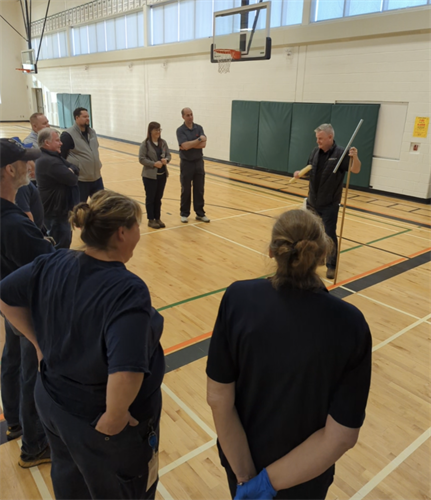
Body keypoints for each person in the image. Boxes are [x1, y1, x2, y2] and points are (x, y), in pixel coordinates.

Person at [0, 189, 165, 500]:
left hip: (51, 402)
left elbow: (5, 296)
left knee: (70, 478)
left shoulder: (54, 261)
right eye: (137, 226)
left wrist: (38, 344)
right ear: (122, 232)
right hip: (94, 418)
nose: (138, 234)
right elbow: (126, 370)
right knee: (120, 488)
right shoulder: (127, 289)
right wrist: (115, 416)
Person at [207, 209, 372, 500]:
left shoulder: (237, 299)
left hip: (241, 462)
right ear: (323, 255)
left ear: (272, 251)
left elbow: (219, 399)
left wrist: (248, 479)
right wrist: (268, 484)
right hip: (305, 477)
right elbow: (342, 436)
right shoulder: (351, 324)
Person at [0, 138, 55, 467]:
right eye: (23, 161)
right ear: (9, 170)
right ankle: (34, 445)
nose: (28, 165)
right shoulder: (15, 226)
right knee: (35, 372)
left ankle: (19, 425)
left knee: (16, 364)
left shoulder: (12, 216)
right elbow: (49, 270)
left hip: (10, 310)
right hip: (27, 311)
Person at [294, 124, 361, 279]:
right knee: (311, 233)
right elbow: (309, 170)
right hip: (312, 201)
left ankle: (331, 265)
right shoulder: (315, 152)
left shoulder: (340, 153)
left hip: (329, 204)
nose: (318, 142)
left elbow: (355, 169)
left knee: (329, 235)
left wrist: (355, 156)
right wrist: (299, 173)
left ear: (330, 137)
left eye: (321, 139)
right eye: (317, 139)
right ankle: (317, 258)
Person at [36, 128, 79, 249]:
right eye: (57, 140)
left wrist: (71, 170)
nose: (61, 143)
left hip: (58, 210)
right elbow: (72, 179)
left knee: (63, 240)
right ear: (47, 143)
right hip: (55, 211)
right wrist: (70, 171)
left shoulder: (54, 157)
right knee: (60, 244)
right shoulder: (49, 161)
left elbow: (74, 167)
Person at [60, 107, 104, 202]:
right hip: (80, 180)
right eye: (84, 116)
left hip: (96, 178)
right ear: (77, 118)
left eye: (88, 116)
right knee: (79, 208)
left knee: (102, 207)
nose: (87, 118)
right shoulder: (67, 135)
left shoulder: (92, 133)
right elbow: (61, 157)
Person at [176, 107, 210, 223]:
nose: (190, 117)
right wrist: (199, 140)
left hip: (199, 162)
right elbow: (184, 146)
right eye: (187, 115)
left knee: (199, 188)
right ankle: (184, 213)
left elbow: (203, 145)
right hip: (186, 163)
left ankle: (200, 213)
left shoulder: (199, 128)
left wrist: (191, 144)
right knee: (186, 189)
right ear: (183, 117)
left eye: (191, 114)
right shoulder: (180, 130)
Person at [139, 122, 171, 229]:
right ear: (150, 131)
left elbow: (168, 155)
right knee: (151, 198)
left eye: (159, 130)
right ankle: (151, 219)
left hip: (162, 175)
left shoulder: (163, 143)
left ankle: (158, 218)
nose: (158, 132)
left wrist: (166, 160)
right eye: (156, 130)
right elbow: (141, 159)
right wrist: (153, 164)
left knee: (159, 197)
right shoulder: (145, 144)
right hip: (149, 176)